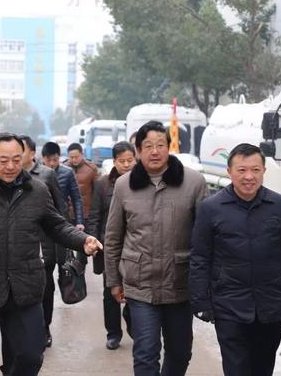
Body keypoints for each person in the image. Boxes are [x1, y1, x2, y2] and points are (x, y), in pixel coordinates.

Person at [0, 133, 103, 376]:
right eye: (3, 160)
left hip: (25, 286)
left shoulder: (36, 190)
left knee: (30, 356)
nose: (10, 166)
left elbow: (56, 225)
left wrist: (83, 240)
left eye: (16, 160)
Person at [190, 143, 281, 376]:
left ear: (264, 171)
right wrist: (200, 301)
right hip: (229, 305)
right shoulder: (211, 208)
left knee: (263, 368)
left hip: (271, 306)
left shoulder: (279, 206)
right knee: (236, 369)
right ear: (229, 171)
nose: (249, 177)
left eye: (255, 170)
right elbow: (200, 258)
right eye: (241, 170)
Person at [104, 121, 207, 375]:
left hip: (179, 284)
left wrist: (204, 283)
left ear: (169, 148)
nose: (155, 151)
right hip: (140, 285)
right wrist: (114, 281)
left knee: (180, 352)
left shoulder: (193, 183)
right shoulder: (124, 185)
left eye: (160, 145)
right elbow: (113, 237)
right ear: (138, 150)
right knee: (145, 352)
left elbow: (205, 238)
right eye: (148, 146)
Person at [19, 135, 66, 350]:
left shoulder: (47, 175)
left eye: (21, 151)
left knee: (45, 288)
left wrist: (63, 242)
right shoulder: (6, 175)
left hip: (44, 244)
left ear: (32, 153)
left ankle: (44, 327)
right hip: (18, 244)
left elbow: (59, 209)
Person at [87, 141, 136, 351]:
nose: (126, 164)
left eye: (130, 160)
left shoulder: (141, 182)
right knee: (111, 291)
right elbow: (95, 215)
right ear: (114, 162)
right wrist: (94, 240)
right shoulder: (102, 184)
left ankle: (134, 326)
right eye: (121, 161)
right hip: (110, 247)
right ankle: (113, 333)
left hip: (136, 245)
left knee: (135, 290)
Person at [41, 142, 84, 230]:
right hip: (42, 218)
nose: (52, 163)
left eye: (55, 160)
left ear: (59, 157)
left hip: (62, 217)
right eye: (48, 160)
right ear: (43, 158)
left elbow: (76, 198)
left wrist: (79, 222)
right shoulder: (37, 173)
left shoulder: (67, 173)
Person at [64, 142, 99, 229]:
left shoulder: (91, 169)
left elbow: (97, 192)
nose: (74, 160)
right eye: (71, 157)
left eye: (76, 157)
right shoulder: (63, 168)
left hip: (86, 214)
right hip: (67, 214)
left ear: (82, 154)